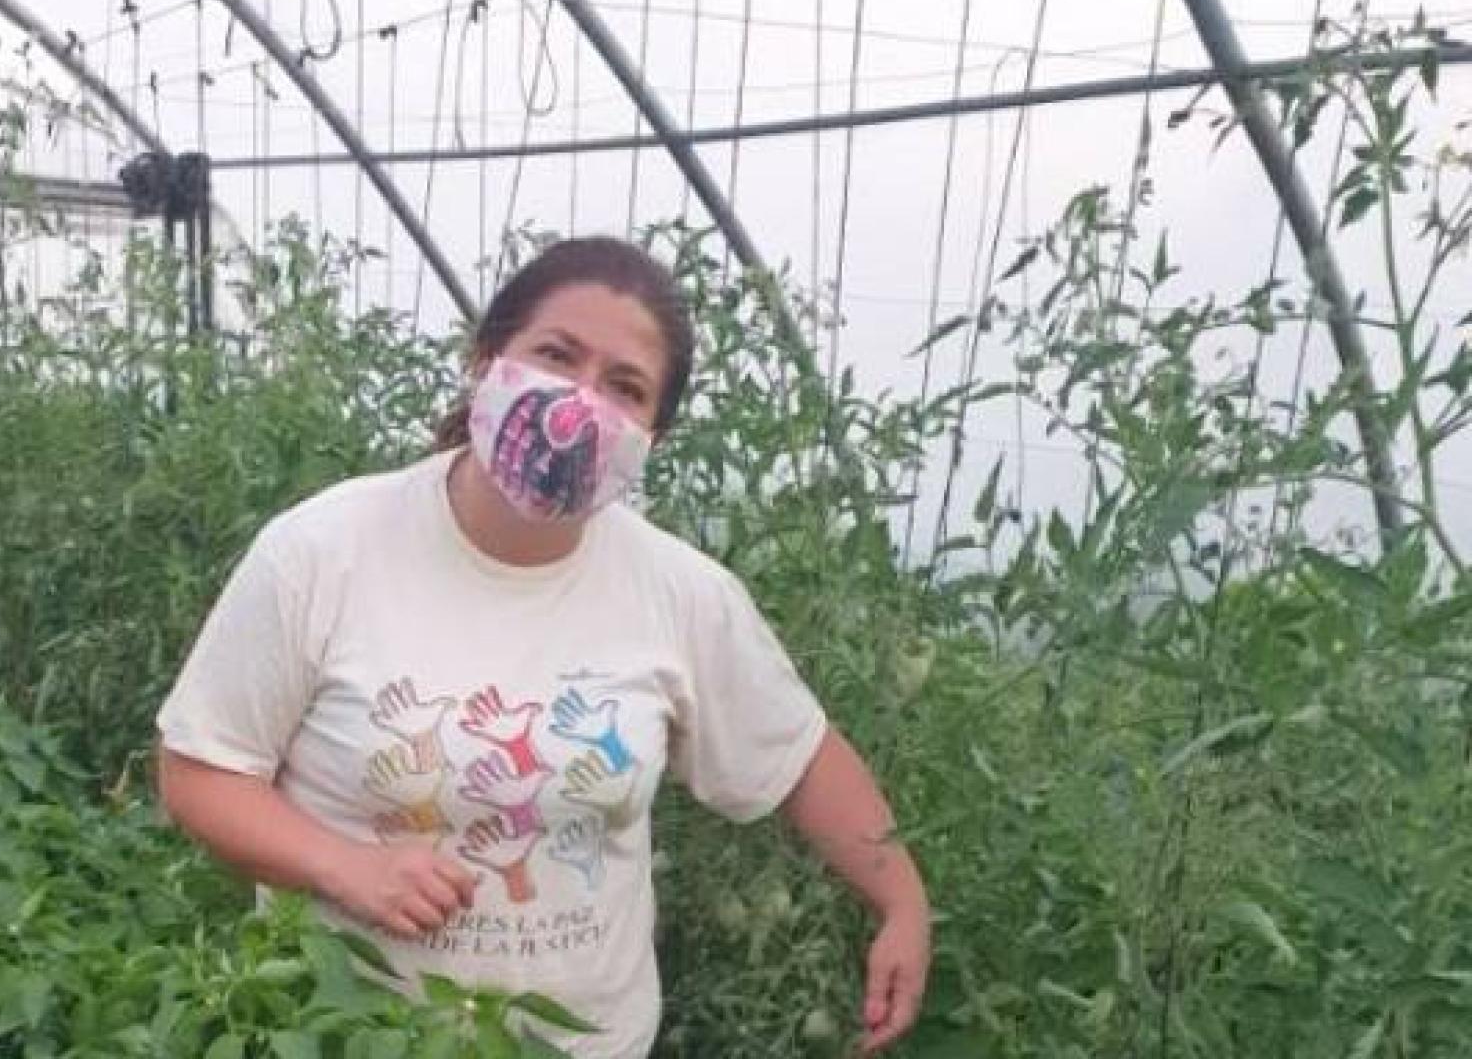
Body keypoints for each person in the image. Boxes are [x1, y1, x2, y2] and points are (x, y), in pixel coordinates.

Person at [154, 236, 930, 1057]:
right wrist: (345, 865)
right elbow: (201, 770)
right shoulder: (323, 552)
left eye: (624, 387)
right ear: (486, 360)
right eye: (556, 356)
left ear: (652, 438)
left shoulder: (679, 594)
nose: (578, 402)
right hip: (353, 1033)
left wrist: (902, 902)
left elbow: (801, 755)